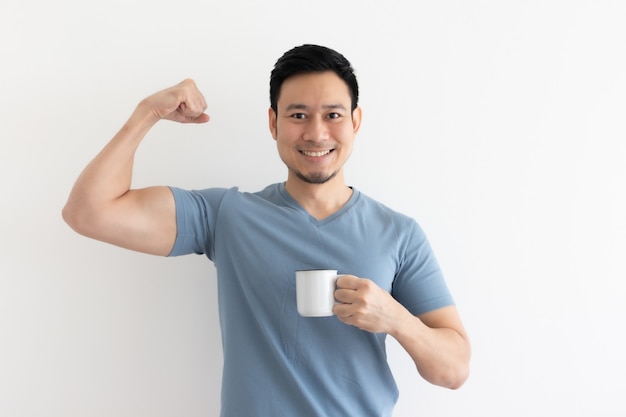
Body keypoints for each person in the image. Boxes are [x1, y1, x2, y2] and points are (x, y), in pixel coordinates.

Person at [63, 44, 470, 416]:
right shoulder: (226, 214)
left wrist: (396, 318)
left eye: (333, 115)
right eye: (298, 115)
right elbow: (88, 212)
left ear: (355, 121)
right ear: (273, 123)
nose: (316, 133)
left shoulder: (399, 233)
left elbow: (454, 371)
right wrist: (146, 113)